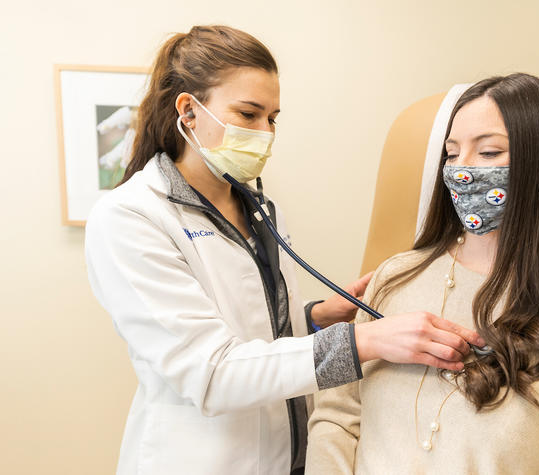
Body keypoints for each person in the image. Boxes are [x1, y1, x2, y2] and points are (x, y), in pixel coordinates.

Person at [84, 25, 483, 475]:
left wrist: (313, 319)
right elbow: (211, 373)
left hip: (288, 454)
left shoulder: (257, 205)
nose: (265, 132)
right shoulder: (131, 218)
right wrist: (364, 341)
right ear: (189, 111)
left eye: (272, 118)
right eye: (248, 113)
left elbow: (251, 329)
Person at [306, 73, 539, 474]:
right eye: (452, 154)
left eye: (488, 153)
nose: (462, 170)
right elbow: (336, 419)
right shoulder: (392, 279)